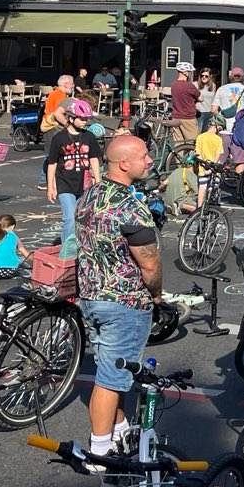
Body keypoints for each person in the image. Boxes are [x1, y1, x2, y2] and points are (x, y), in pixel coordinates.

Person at [75, 134, 165, 466]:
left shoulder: (89, 195)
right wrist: (156, 294)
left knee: (110, 366)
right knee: (111, 380)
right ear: (124, 164)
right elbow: (149, 263)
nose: (150, 160)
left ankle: (120, 429)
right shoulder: (130, 206)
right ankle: (99, 452)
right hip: (124, 301)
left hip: (90, 296)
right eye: (143, 156)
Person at [45, 99, 103, 245]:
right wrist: (50, 186)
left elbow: (94, 159)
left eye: (86, 119)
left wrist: (98, 180)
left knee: (82, 218)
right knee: (70, 218)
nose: (85, 122)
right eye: (82, 119)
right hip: (64, 183)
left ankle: (80, 246)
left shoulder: (89, 137)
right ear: (71, 118)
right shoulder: (59, 138)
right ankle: (67, 249)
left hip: (84, 184)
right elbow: (52, 163)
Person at [192, 114, 227, 210]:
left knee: (202, 188)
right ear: (218, 127)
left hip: (202, 168)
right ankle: (211, 207)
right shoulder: (218, 139)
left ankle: (199, 209)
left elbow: (197, 153)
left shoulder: (200, 137)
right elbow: (218, 156)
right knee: (213, 188)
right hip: (212, 169)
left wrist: (202, 162)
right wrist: (213, 166)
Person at [167, 61, 201, 143]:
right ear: (185, 72)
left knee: (178, 144)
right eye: (189, 72)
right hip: (188, 118)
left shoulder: (174, 85)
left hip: (176, 117)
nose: (190, 74)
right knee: (192, 143)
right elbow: (201, 98)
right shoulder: (189, 85)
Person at [195, 69, 218, 133]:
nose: (204, 77)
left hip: (209, 113)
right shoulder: (195, 85)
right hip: (199, 112)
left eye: (206, 76)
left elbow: (213, 99)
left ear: (210, 76)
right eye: (202, 75)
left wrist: (215, 111)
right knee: (198, 132)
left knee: (206, 133)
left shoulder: (213, 85)